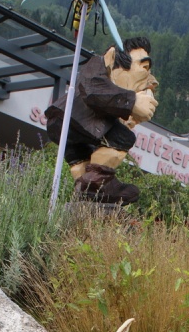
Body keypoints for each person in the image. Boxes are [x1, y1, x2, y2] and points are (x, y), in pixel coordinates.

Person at [45, 36, 158, 205]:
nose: (148, 76)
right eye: (144, 67)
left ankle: (91, 186)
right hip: (72, 118)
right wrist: (132, 101)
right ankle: (94, 184)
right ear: (113, 57)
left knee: (85, 154)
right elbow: (92, 90)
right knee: (123, 138)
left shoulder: (111, 83)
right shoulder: (98, 66)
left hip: (73, 125)